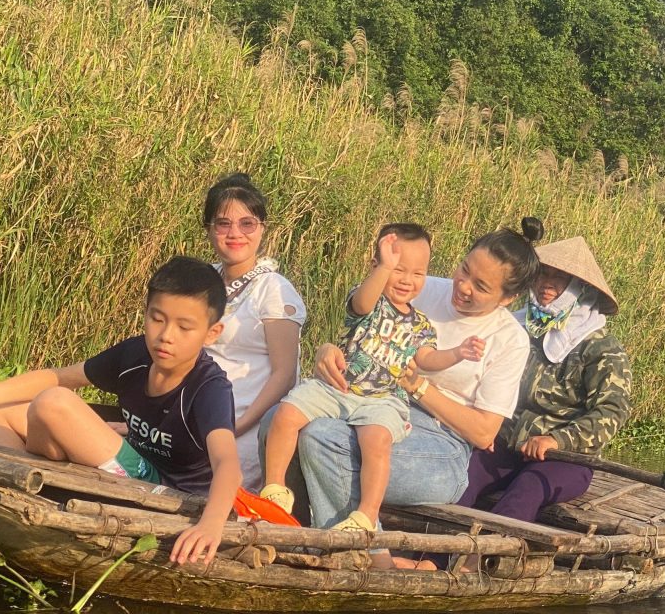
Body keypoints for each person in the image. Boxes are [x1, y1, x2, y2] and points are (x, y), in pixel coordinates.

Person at [0, 256, 242, 566]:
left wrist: (211, 523)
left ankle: (29, 496)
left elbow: (227, 462)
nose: (166, 336)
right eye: (157, 319)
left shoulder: (209, 388)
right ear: (146, 312)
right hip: (127, 462)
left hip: (166, 491)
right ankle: (14, 498)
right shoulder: (135, 355)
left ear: (212, 333)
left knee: (53, 403)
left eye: (184, 327)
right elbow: (60, 376)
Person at [297, 217, 544, 561]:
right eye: (464, 269)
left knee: (323, 439)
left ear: (508, 299)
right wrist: (328, 350)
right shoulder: (421, 287)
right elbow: (359, 322)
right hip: (372, 407)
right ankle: (320, 541)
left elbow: (483, 432)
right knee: (285, 419)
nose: (463, 286)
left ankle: (369, 557)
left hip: (442, 447)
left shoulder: (509, 340)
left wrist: (418, 386)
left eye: (481, 286)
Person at [261, 224, 485, 533]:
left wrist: (458, 352)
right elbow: (363, 302)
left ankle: (366, 515)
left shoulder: (420, 325)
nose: (406, 280)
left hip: (383, 399)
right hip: (339, 388)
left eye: (417, 274)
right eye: (398, 270)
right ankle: (274, 489)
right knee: (285, 414)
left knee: (377, 442)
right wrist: (384, 268)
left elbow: (427, 359)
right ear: (375, 266)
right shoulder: (368, 301)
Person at [456, 235, 631, 526]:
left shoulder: (601, 348)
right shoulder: (512, 326)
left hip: (566, 459)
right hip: (503, 445)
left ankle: (492, 551)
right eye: (542, 274)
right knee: (460, 480)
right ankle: (427, 549)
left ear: (579, 288)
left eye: (559, 278)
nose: (547, 284)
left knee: (526, 490)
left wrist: (556, 440)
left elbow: (612, 412)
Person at [202, 173, 307, 491]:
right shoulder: (202, 281)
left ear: (262, 228)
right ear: (209, 228)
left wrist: (235, 427)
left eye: (247, 224)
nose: (235, 233)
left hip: (244, 426)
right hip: (197, 417)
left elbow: (285, 374)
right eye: (223, 224)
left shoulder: (273, 289)